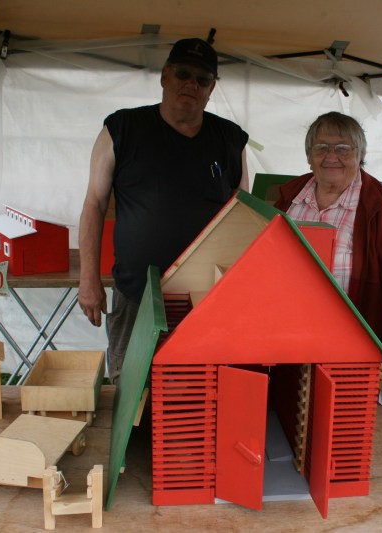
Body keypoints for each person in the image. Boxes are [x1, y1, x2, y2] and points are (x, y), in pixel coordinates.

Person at [78, 38, 249, 381]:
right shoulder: (121, 129)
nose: (192, 84)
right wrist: (88, 278)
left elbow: (241, 216)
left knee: (199, 391)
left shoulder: (231, 139)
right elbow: (94, 204)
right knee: (130, 388)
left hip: (204, 299)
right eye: (183, 74)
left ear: (212, 88)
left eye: (202, 79)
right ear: (165, 76)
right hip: (136, 292)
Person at [274, 112, 382, 369]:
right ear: (309, 156)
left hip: (349, 357)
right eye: (321, 148)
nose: (332, 157)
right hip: (285, 345)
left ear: (359, 156)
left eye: (343, 148)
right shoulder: (289, 198)